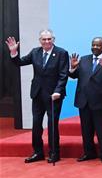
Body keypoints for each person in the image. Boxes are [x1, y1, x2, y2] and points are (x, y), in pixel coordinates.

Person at [7, 31, 69, 163]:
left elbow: (63, 74)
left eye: (49, 39)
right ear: (40, 40)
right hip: (37, 94)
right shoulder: (35, 52)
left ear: (53, 39)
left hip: (54, 96)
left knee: (52, 125)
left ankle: (54, 153)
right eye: (44, 39)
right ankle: (38, 152)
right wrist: (13, 52)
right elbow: (19, 62)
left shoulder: (61, 53)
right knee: (36, 124)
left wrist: (58, 90)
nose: (47, 42)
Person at [69, 37, 102, 163]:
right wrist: (73, 68)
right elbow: (75, 76)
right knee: (86, 130)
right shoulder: (84, 59)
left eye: (98, 45)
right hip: (84, 100)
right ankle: (88, 153)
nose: (95, 47)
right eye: (93, 45)